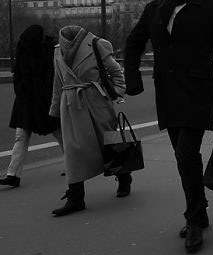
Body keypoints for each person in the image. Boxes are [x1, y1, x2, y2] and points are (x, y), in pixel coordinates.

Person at [124, 0, 213, 254]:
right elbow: (133, 43)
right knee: (183, 155)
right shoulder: (155, 8)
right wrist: (133, 80)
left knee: (186, 154)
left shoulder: (210, 8)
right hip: (167, 92)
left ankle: (194, 219)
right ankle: (200, 210)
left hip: (198, 91)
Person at [48, 26, 128, 215]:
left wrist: (114, 93)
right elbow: (58, 83)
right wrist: (55, 108)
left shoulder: (97, 44)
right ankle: (76, 197)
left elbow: (116, 72)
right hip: (70, 105)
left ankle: (124, 176)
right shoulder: (58, 50)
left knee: (109, 145)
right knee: (73, 151)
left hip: (96, 102)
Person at [1, 25, 62, 188]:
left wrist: (22, 88)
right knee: (56, 132)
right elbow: (50, 73)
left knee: (55, 133)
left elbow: (19, 71)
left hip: (33, 99)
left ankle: (13, 175)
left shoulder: (26, 48)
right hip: (33, 99)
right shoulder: (46, 49)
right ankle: (13, 174)